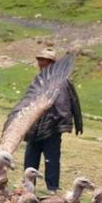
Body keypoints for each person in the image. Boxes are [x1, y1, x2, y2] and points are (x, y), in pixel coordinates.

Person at [23, 48, 83, 194]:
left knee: (51, 160)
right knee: (30, 159)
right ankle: (28, 187)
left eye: (43, 60)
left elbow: (65, 105)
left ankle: (52, 189)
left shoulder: (60, 81)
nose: (40, 63)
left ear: (50, 63)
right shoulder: (38, 79)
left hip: (51, 128)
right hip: (35, 127)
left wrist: (60, 124)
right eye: (39, 60)